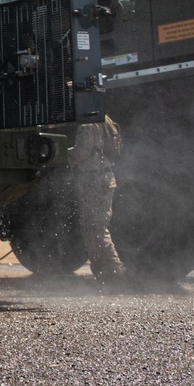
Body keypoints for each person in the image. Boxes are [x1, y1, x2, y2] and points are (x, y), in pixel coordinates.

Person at [69, 116, 127, 288]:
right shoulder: (106, 119)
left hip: (94, 180)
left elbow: (81, 153)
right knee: (94, 229)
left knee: (96, 230)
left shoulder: (88, 123)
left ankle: (115, 276)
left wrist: (56, 156)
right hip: (103, 178)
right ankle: (106, 276)